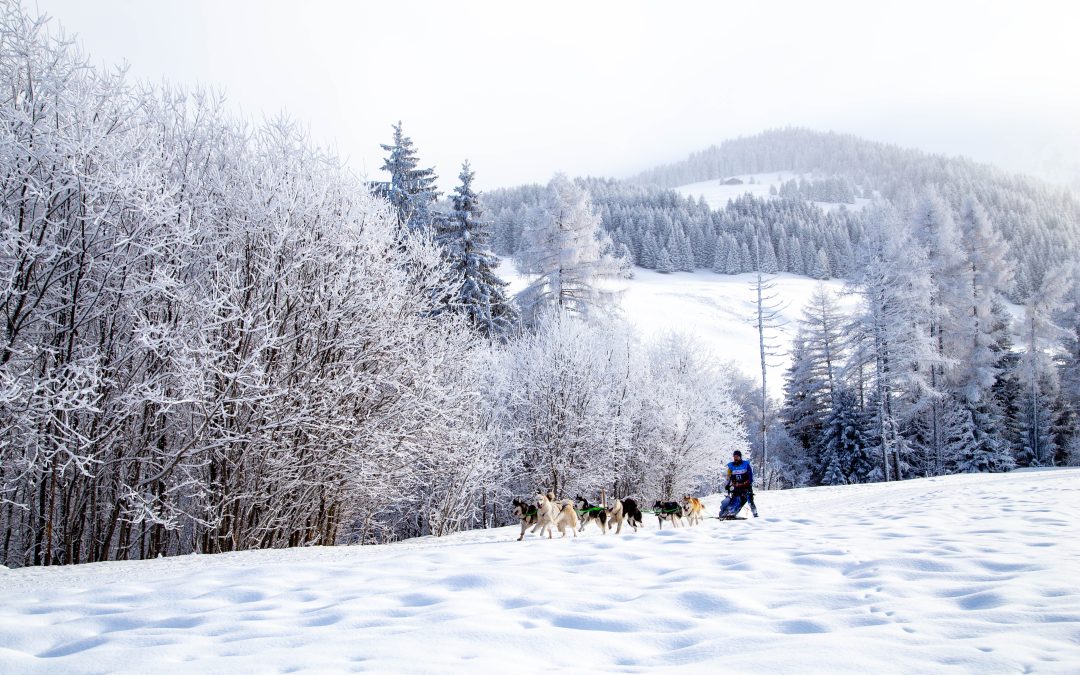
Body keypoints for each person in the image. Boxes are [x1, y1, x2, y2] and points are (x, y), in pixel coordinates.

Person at [723, 450, 759, 518]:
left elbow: (750, 476)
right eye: (734, 456)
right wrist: (727, 485)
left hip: (746, 486)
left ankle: (755, 514)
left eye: (737, 456)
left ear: (740, 457)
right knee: (735, 500)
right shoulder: (731, 466)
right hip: (736, 486)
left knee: (749, 500)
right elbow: (728, 477)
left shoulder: (746, 464)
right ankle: (728, 513)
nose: (735, 458)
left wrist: (748, 483)